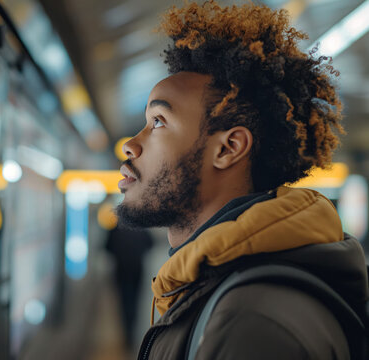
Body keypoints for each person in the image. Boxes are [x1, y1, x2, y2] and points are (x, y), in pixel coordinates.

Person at [115, 1, 369, 359]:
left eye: (158, 121)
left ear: (228, 148)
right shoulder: (213, 287)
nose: (130, 145)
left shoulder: (252, 322)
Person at [105, 225, 153, 350]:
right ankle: (131, 331)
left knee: (124, 302)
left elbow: (107, 247)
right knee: (135, 301)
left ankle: (127, 333)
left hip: (121, 270)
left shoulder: (115, 229)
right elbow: (150, 243)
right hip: (137, 270)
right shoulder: (141, 228)